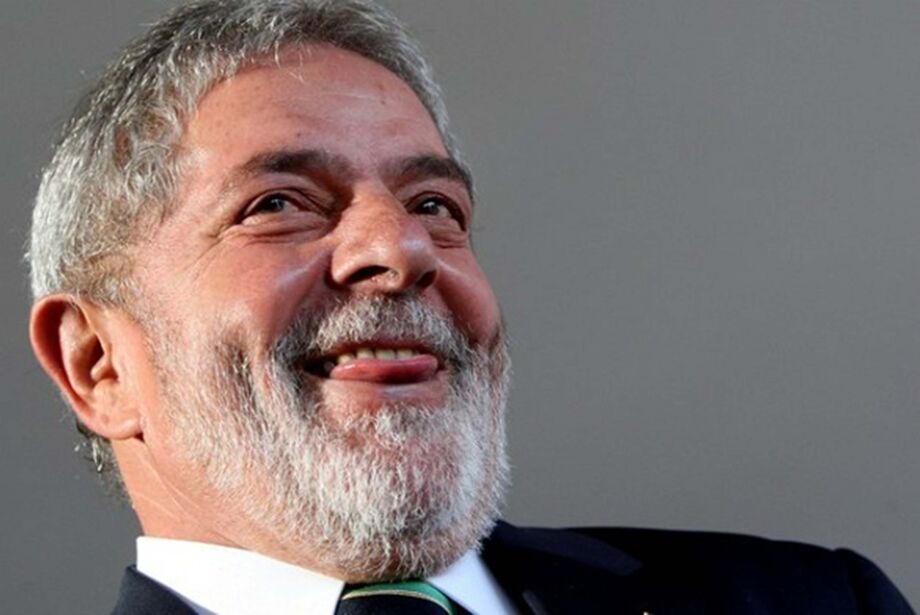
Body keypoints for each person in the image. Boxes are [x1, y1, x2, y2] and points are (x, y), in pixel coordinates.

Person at [26, 1, 911, 613]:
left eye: (434, 206)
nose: (402, 247)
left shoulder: (815, 603)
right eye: (279, 203)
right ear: (98, 365)